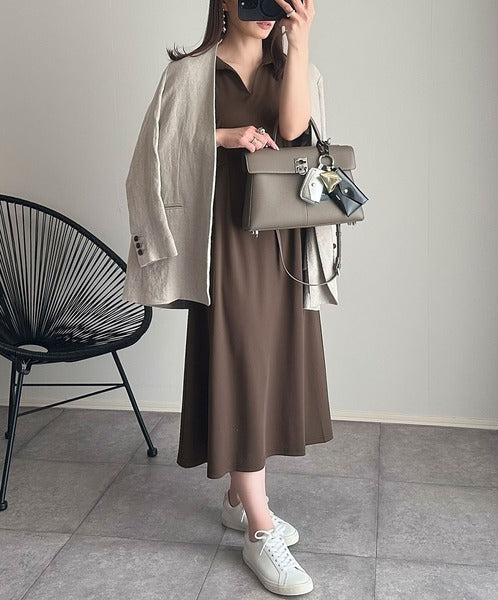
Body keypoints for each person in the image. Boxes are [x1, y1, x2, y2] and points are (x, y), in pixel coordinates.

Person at [166, 0, 333, 595]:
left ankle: (239, 499)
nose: (267, 7)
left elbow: (293, 134)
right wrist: (223, 136)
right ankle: (259, 528)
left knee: (268, 362)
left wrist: (300, 41)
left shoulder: (292, 69)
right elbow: (160, 152)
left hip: (282, 240)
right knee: (239, 359)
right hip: (224, 240)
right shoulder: (192, 72)